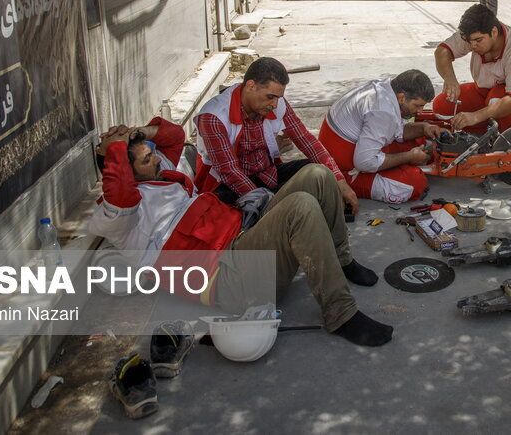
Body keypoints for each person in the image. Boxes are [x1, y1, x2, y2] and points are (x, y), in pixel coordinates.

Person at [90, 118, 393, 347]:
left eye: (152, 154)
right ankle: (341, 314)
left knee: (317, 174)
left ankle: (341, 259)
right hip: (230, 280)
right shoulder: (121, 216)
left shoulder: (160, 176)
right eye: (146, 159)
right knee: (300, 206)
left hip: (244, 239)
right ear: (124, 171)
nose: (156, 159)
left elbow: (174, 136)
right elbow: (120, 193)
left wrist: (135, 134)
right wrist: (112, 148)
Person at [193, 57, 360, 215]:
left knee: (320, 173)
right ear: (250, 86)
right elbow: (229, 172)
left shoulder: (277, 104)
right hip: (227, 187)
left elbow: (306, 140)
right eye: (270, 97)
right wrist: (268, 204)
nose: (274, 104)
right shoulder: (214, 116)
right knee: (301, 202)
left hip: (266, 176)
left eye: (278, 98)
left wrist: (339, 180)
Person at [318, 70, 444, 203]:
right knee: (415, 183)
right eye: (417, 106)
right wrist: (409, 157)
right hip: (341, 171)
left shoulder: (387, 89)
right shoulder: (383, 110)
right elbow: (364, 162)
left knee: (418, 139)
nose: (420, 111)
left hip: (352, 150)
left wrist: (425, 128)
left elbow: (397, 129)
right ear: (402, 98)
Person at [432, 4, 511, 133]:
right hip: (484, 93)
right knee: (441, 106)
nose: (473, 45)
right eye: (469, 41)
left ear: (494, 32)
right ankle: (482, 134)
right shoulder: (473, 34)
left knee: (495, 98)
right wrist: (450, 79)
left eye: (478, 40)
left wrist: (475, 116)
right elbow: (442, 51)